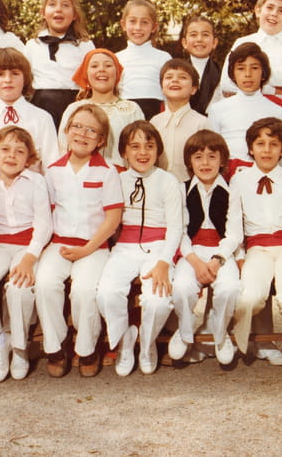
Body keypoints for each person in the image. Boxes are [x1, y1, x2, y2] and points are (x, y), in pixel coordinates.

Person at [34, 104, 123, 378]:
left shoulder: (107, 171)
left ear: (101, 140)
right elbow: (47, 212)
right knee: (45, 284)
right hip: (59, 243)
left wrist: (87, 249)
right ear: (66, 131)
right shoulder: (53, 170)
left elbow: (113, 218)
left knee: (84, 291)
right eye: (77, 127)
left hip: (94, 246)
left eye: (91, 130)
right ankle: (56, 347)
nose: (82, 134)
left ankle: (87, 349)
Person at [0, 126, 52, 382]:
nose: (11, 155)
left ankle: (20, 347)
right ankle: (0, 342)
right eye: (5, 149)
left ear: (29, 158)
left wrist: (29, 258)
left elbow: (44, 225)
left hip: (29, 246)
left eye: (19, 151)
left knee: (19, 288)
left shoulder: (36, 181)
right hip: (0, 244)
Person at [97, 121, 183, 376]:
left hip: (158, 249)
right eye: (135, 147)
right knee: (106, 293)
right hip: (125, 247)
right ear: (124, 152)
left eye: (149, 146)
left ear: (158, 151)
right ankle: (125, 341)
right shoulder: (116, 179)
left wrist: (164, 262)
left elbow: (176, 228)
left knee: (157, 300)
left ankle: (147, 344)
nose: (142, 152)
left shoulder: (168, 181)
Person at [230, 118, 282, 366]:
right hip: (257, 249)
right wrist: (239, 257)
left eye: (273, 144)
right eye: (260, 144)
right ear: (250, 148)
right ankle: (248, 341)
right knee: (249, 298)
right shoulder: (239, 180)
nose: (266, 150)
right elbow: (234, 225)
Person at [168, 130, 241, 365]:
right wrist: (195, 261)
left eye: (212, 156)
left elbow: (235, 233)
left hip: (222, 252)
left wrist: (217, 260)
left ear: (222, 160)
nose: (205, 163)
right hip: (192, 252)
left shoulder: (232, 190)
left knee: (230, 288)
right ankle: (185, 329)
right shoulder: (181, 189)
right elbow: (179, 231)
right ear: (190, 162)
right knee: (181, 287)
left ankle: (220, 333)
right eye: (198, 157)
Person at [219, 0, 282, 174]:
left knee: (281, 160)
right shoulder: (242, 42)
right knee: (250, 152)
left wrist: (252, 82)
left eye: (281, 10)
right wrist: (272, 89)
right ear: (258, 11)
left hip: (281, 107)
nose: (274, 14)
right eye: (269, 8)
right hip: (247, 107)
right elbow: (226, 82)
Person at [0, 47, 58, 172]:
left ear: (25, 78)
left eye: (15, 73)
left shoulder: (42, 119)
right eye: (0, 74)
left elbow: (52, 168)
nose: (8, 80)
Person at [207, 43, 282, 179]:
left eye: (254, 68)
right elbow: (212, 151)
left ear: (263, 73)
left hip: (264, 176)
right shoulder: (218, 109)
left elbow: (281, 156)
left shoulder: (277, 111)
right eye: (241, 68)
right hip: (228, 176)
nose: (248, 74)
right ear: (233, 74)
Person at [25, 0, 95, 128]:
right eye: (52, 4)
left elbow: (91, 81)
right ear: (43, 12)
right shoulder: (32, 46)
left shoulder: (84, 45)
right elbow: (25, 80)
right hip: (41, 107)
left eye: (65, 5)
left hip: (75, 107)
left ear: (74, 14)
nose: (58, 9)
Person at [58, 48, 144, 167]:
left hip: (121, 175)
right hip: (82, 174)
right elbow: (63, 148)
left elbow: (140, 148)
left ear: (117, 73)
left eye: (108, 65)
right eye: (94, 66)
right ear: (86, 74)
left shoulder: (131, 109)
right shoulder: (74, 109)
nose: (101, 69)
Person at [150, 59, 210, 182]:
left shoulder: (202, 123)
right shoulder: (154, 122)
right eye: (169, 77)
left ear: (193, 89)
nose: (175, 80)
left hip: (189, 185)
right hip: (158, 185)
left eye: (183, 77)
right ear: (162, 88)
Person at [116, 0, 172, 120]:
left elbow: (169, 93)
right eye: (132, 21)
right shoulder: (116, 58)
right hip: (124, 114)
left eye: (144, 22)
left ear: (154, 27)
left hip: (155, 115)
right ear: (123, 25)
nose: (138, 27)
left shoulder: (163, 58)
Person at [180, 15, 221, 115]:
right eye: (193, 35)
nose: (199, 39)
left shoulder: (222, 73)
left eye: (205, 35)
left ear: (214, 42)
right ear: (184, 42)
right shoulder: (177, 72)